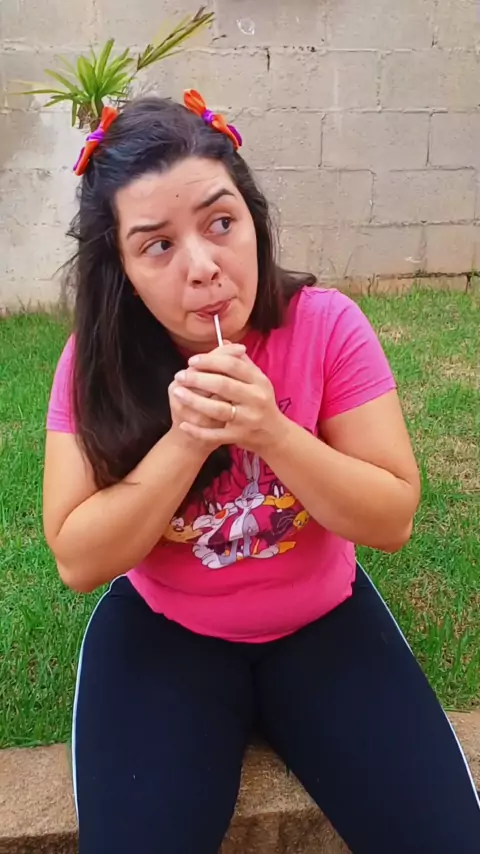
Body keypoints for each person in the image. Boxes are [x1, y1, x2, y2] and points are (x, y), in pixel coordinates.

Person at [42, 90, 480, 854]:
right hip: (167, 629)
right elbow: (78, 559)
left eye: (221, 223)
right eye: (158, 246)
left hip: (323, 619)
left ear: (253, 219)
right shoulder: (97, 361)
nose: (204, 267)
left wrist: (273, 432)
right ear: (124, 270)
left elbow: (392, 518)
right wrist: (186, 441)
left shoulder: (327, 327)